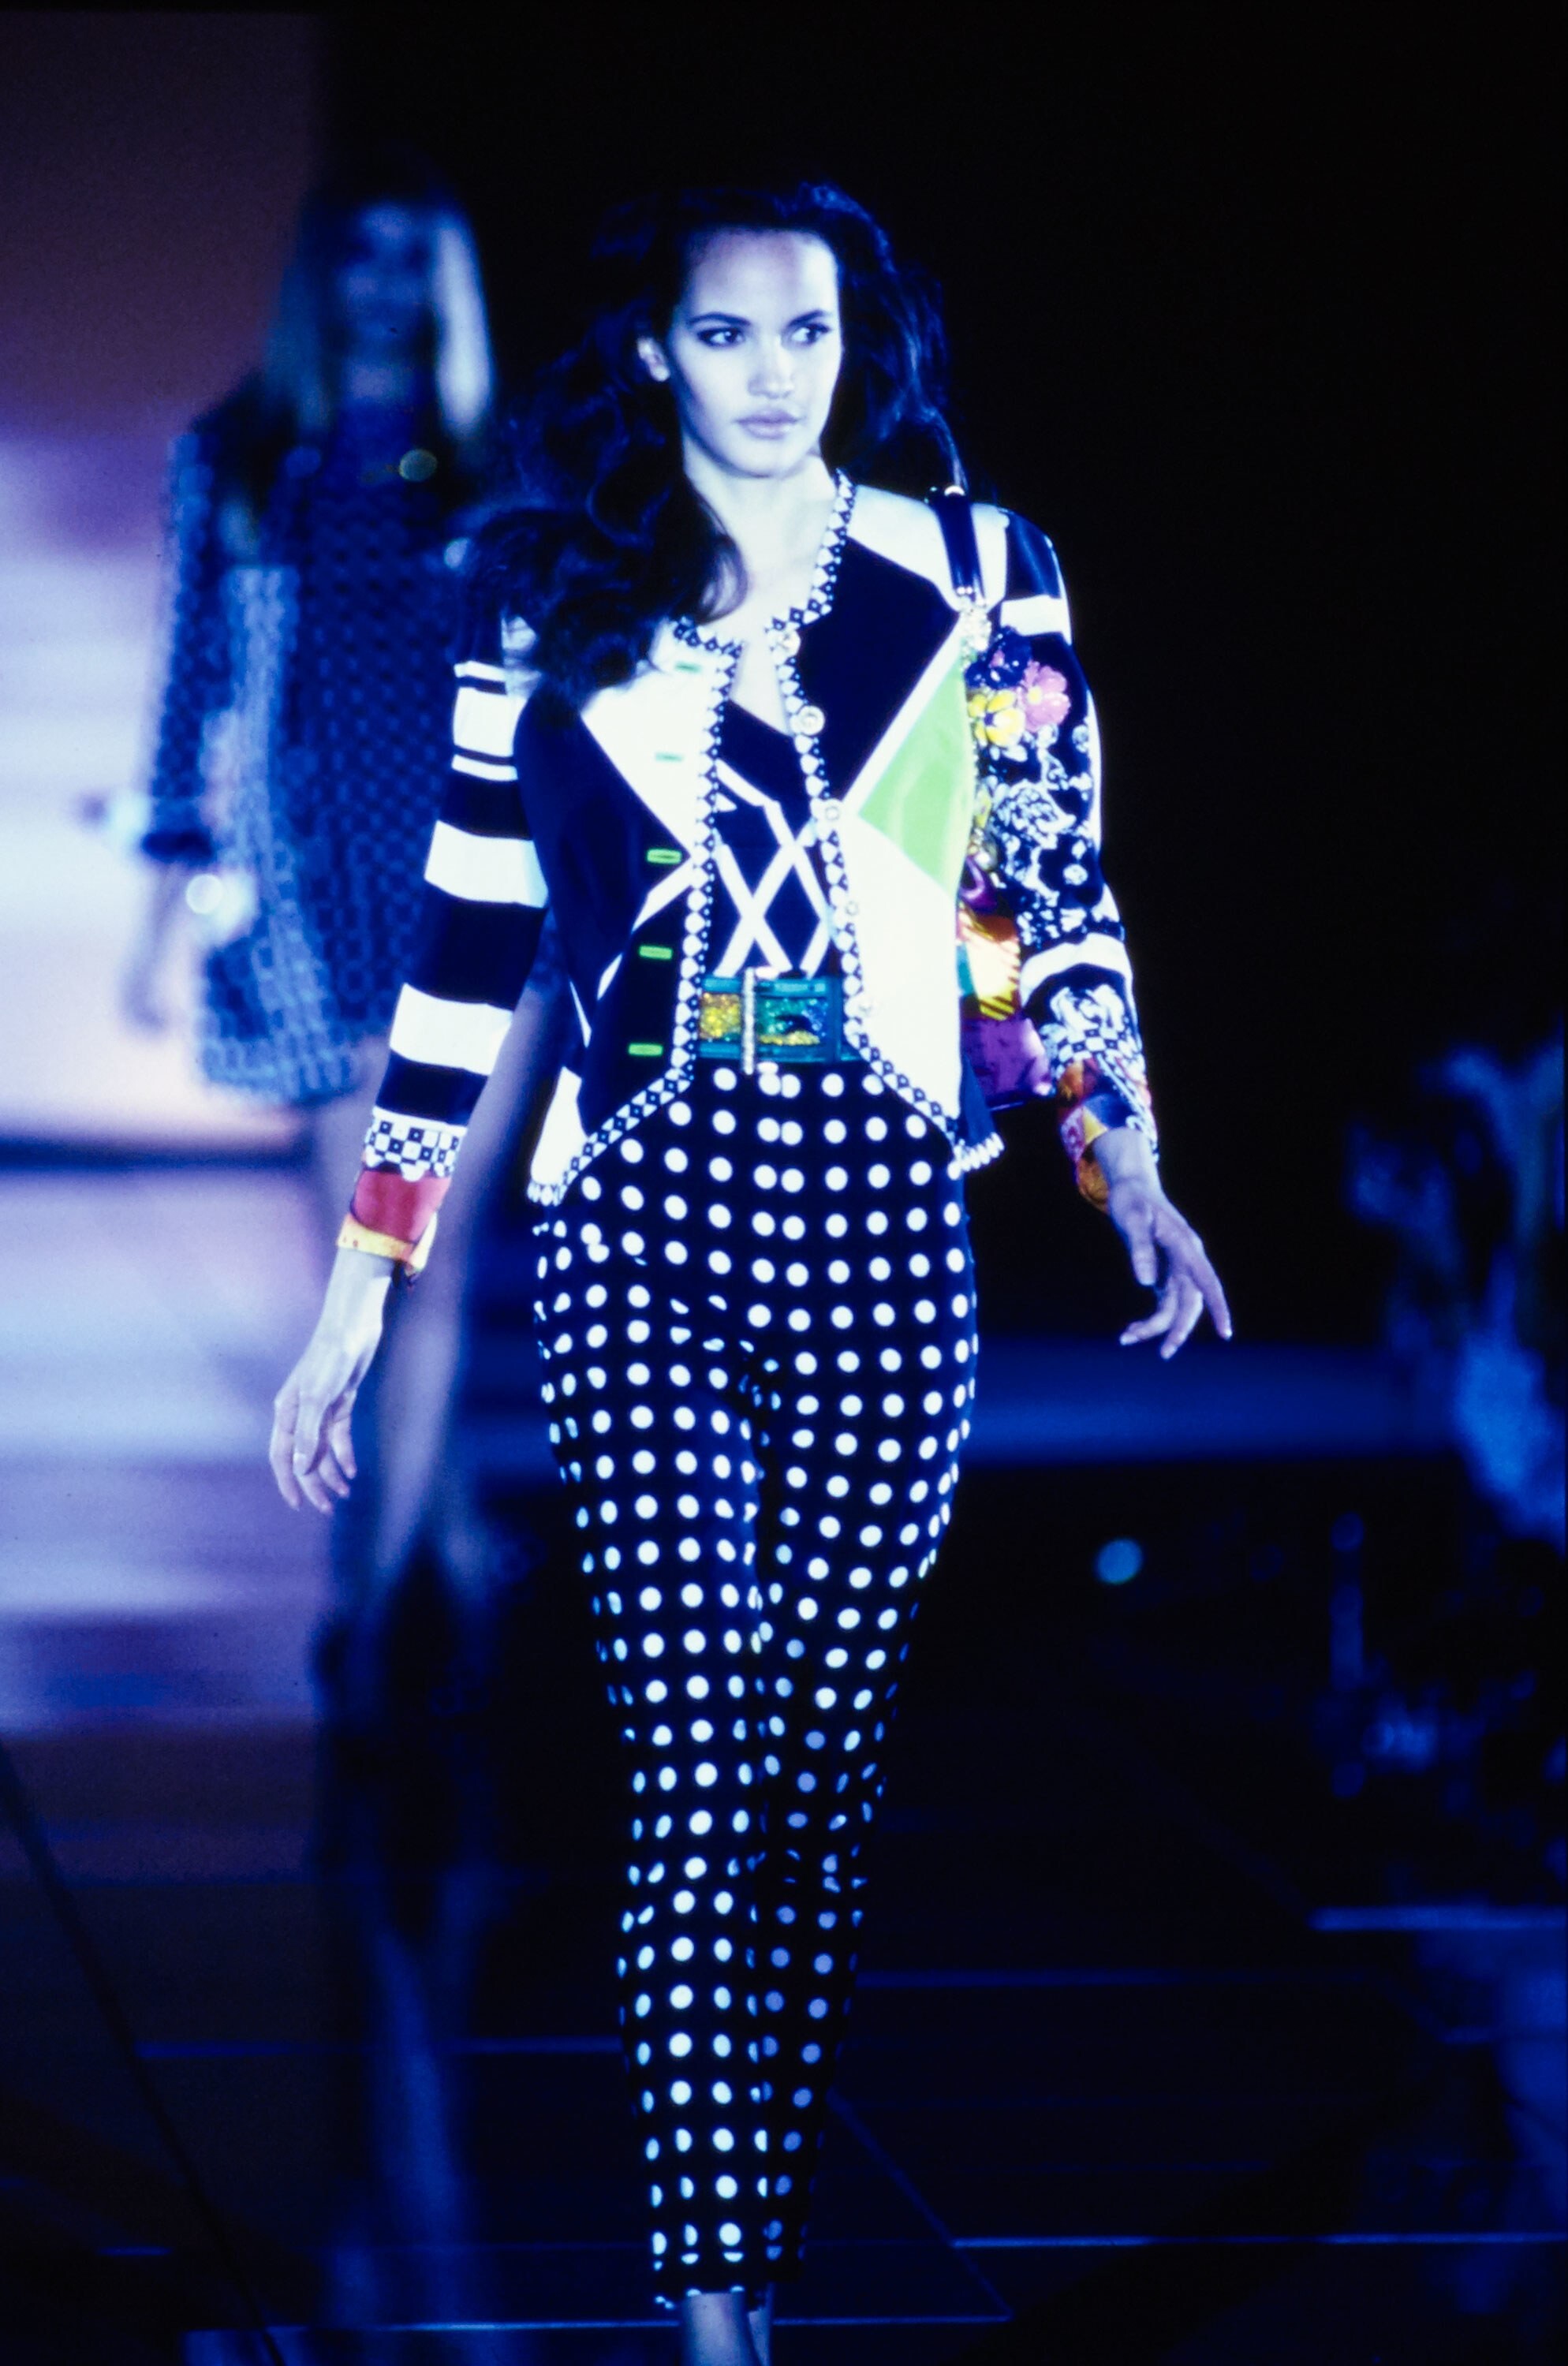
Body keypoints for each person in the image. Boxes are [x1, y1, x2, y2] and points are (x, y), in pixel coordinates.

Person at [269, 182, 1231, 2364]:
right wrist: (363, 1288)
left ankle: (744, 2258)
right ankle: (719, 2324)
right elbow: (465, 958)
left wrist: (1125, 1155)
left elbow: (1045, 888)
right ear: (655, 353)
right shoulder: (546, 598)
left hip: (887, 1222)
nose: (773, 374)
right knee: (699, 1766)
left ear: (856, 346)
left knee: (807, 1784)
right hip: (641, 1219)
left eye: (808, 331)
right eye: (725, 334)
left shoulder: (982, 575)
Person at [130, 149, 562, 1711]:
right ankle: (442, 1552)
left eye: (410, 255)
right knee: (365, 1270)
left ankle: (370, 1614)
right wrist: (156, 918)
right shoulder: (242, 456)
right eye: (357, 254)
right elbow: (191, 683)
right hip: (312, 910)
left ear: (444, 277)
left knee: (423, 1264)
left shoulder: (506, 464)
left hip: (487, 905)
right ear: (319, 273)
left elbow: (574, 690)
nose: (382, 286)